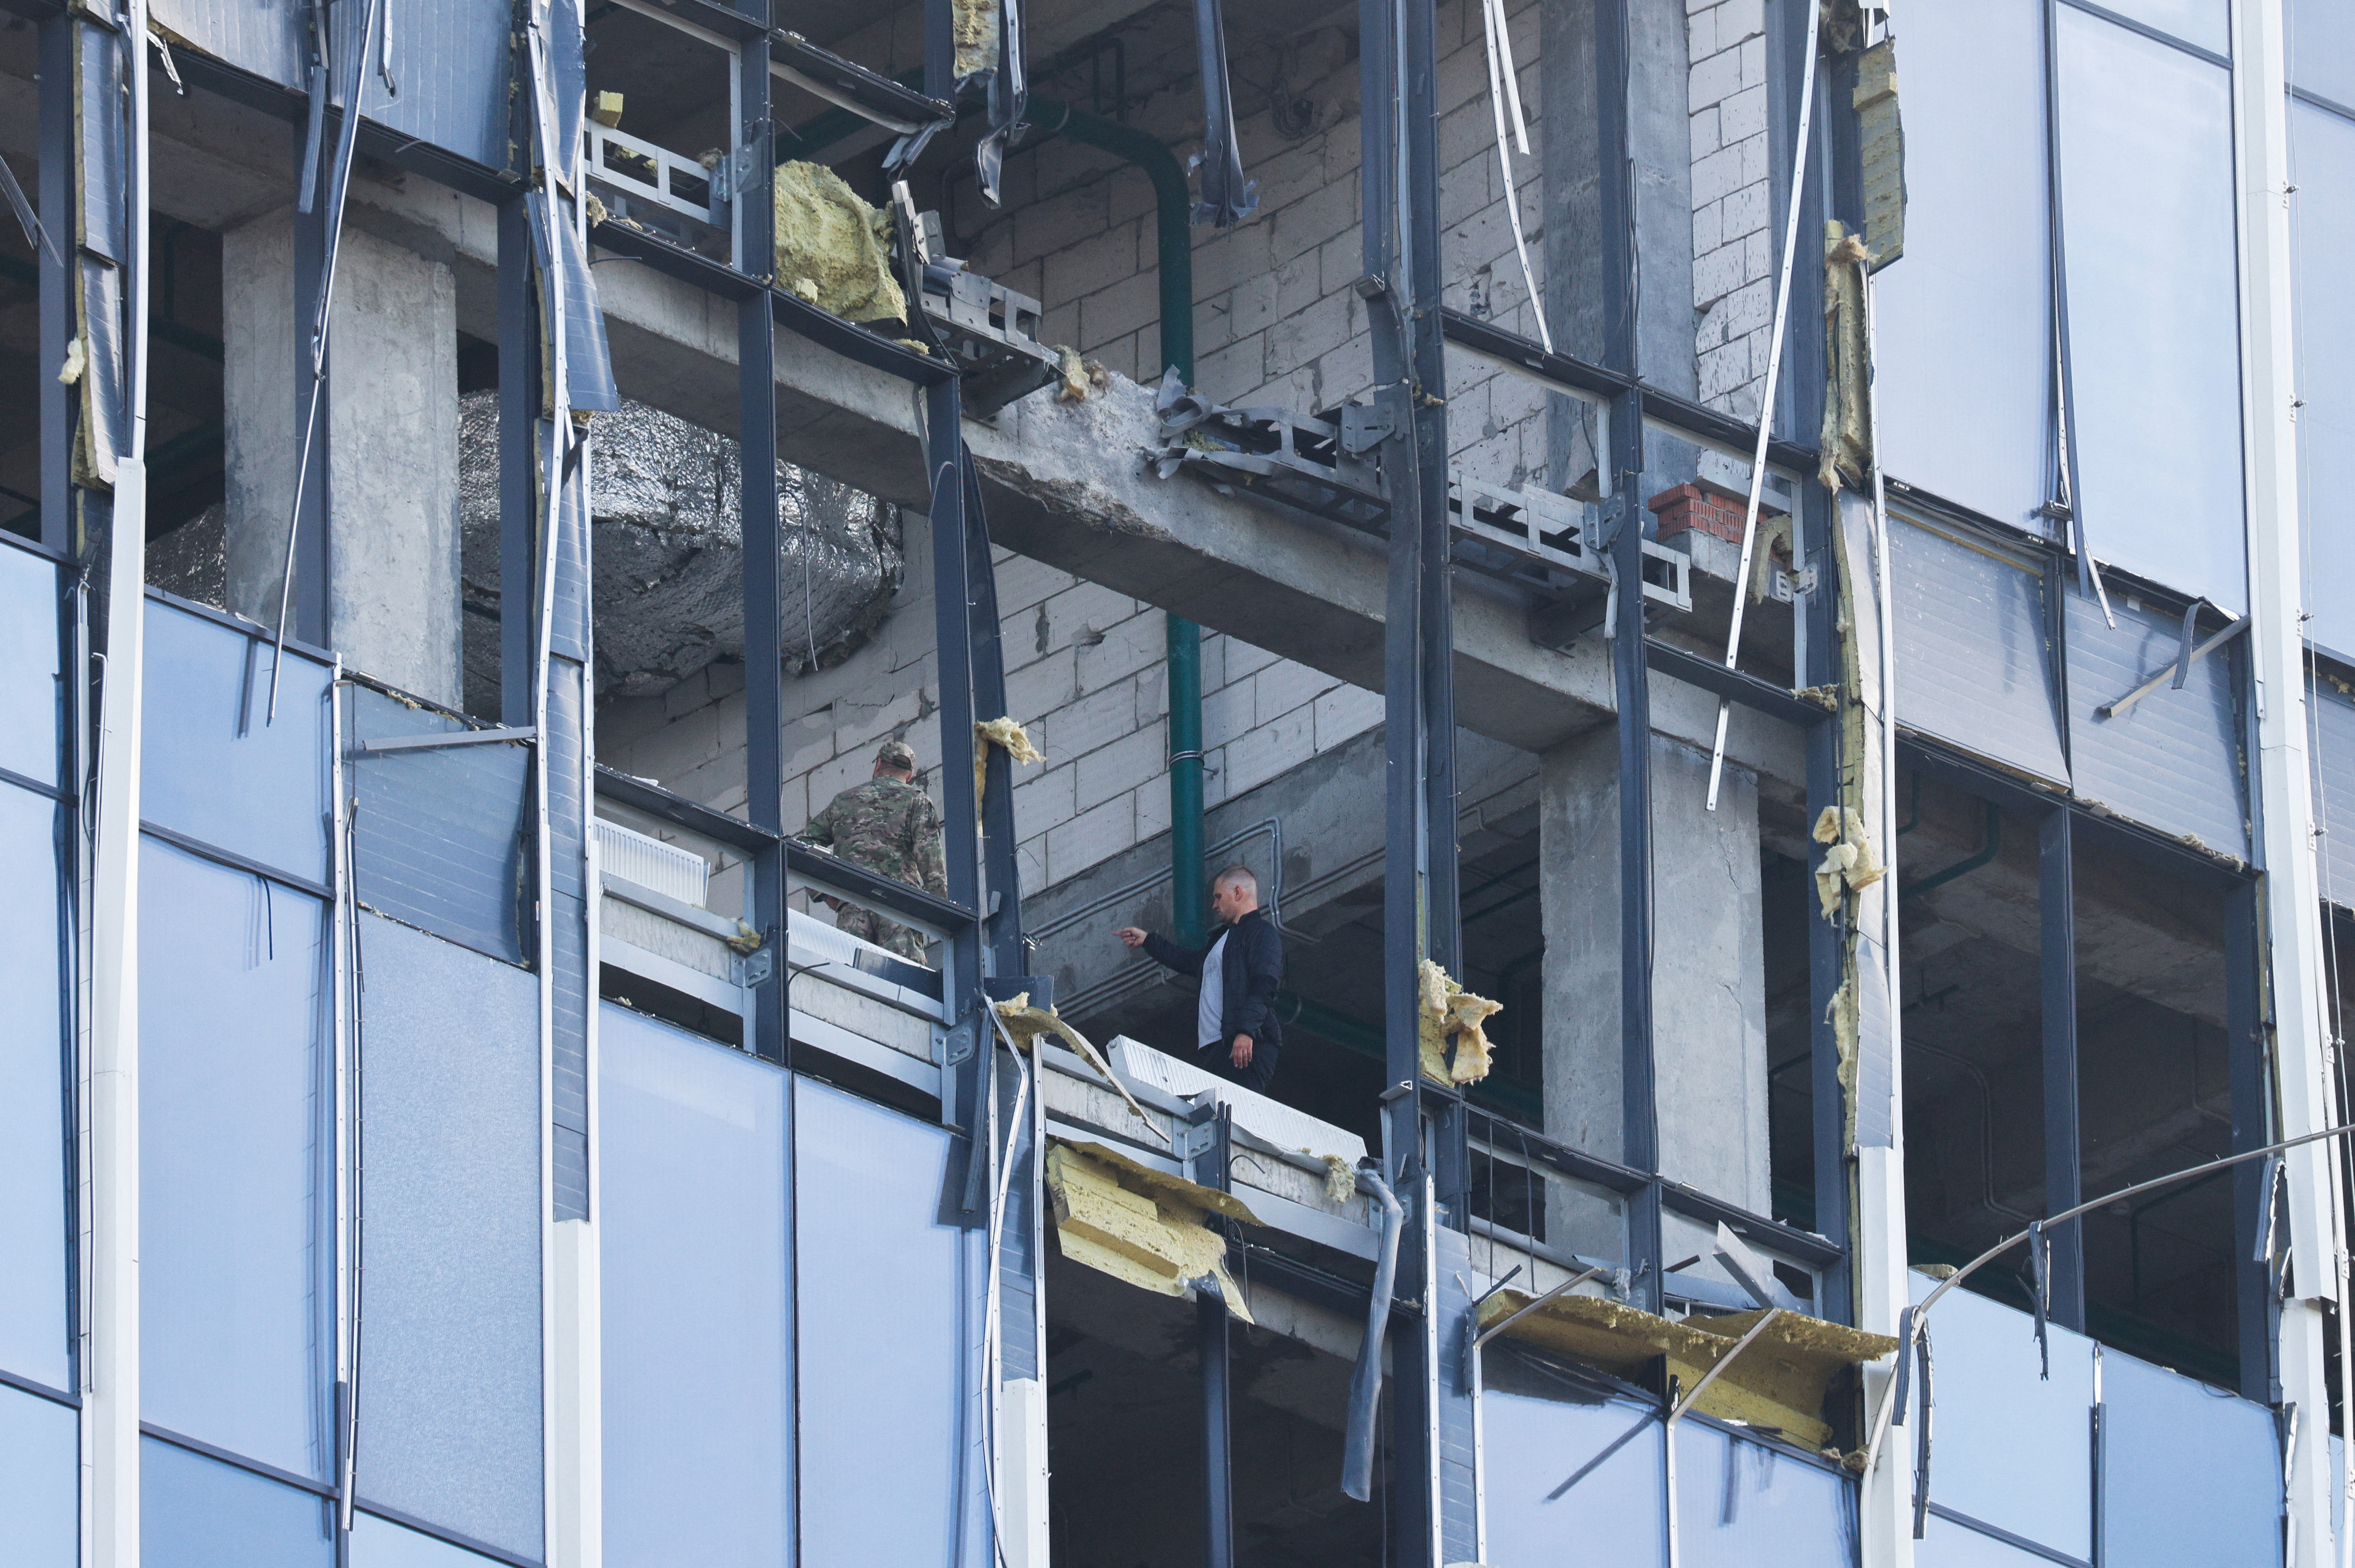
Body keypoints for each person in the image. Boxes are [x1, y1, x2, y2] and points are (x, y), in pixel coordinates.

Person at [1115, 864, 1283, 1094]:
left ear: (1237, 893)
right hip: (1221, 1048)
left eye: (1218, 897)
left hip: (1243, 1046)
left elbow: (1264, 986)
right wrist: (1148, 941)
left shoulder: (1260, 932)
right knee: (1219, 1120)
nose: (1214, 905)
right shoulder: (1223, 940)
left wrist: (1246, 1033)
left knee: (1236, 1120)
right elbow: (1189, 962)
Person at [797, 739, 947, 963]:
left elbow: (803, 844)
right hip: (900, 908)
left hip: (853, 906)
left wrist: (825, 893)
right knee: (904, 983)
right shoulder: (917, 801)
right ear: (910, 774)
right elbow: (932, 864)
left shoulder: (843, 802)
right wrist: (940, 922)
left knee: (851, 981)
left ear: (878, 765)